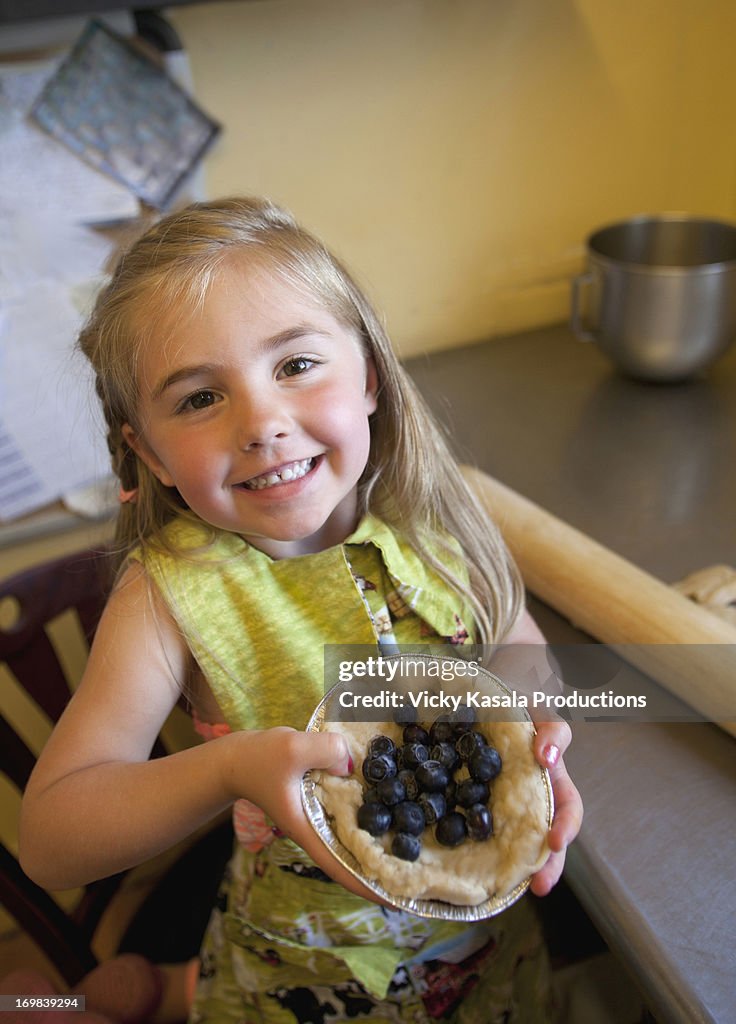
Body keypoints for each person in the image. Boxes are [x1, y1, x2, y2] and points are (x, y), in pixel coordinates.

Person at [20, 197, 582, 1023]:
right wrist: (229, 768)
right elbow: (52, 839)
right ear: (149, 452)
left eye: (294, 366)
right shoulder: (170, 597)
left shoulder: (433, 520)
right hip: (297, 983)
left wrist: (541, 733)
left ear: (369, 377)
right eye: (199, 400)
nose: (264, 425)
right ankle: (172, 992)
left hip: (485, 958)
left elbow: (518, 656)